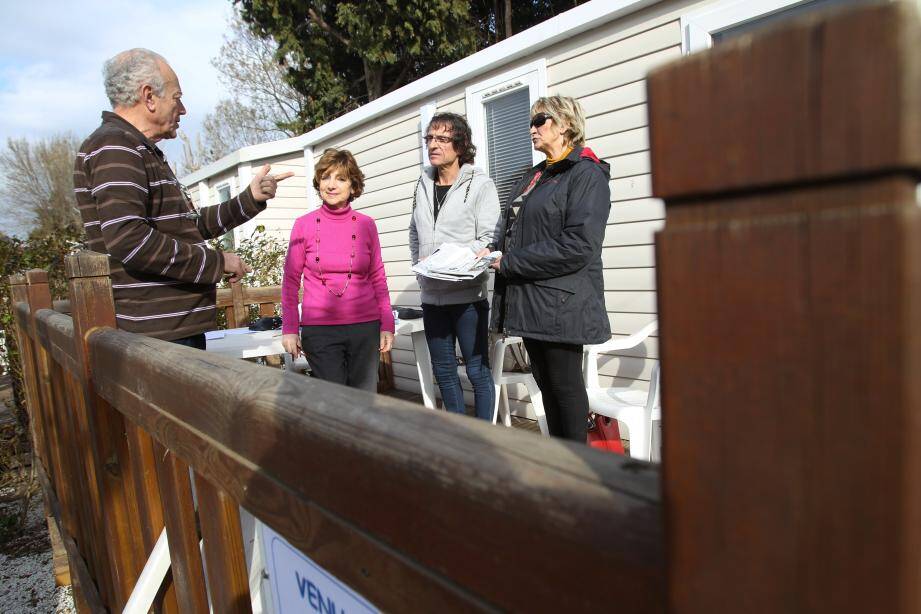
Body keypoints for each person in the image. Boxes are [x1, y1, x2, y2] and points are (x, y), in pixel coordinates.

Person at [74, 48, 292, 349]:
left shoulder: (136, 149)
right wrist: (217, 262)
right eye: (177, 97)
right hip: (159, 339)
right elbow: (128, 239)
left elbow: (186, 226)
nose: (184, 109)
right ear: (149, 96)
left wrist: (250, 198)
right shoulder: (116, 146)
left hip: (169, 332)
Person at [490, 95, 611, 442]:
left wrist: (510, 261)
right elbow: (517, 229)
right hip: (530, 301)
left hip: (561, 305)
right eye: (531, 121)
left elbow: (580, 244)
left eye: (540, 120)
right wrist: (493, 250)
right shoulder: (535, 176)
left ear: (566, 125)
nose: (532, 128)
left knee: (565, 388)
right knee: (547, 386)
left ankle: (577, 467)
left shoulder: (585, 173)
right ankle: (560, 461)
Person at [408, 113, 501, 420]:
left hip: (467, 297)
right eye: (430, 139)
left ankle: (485, 437)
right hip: (432, 298)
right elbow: (414, 231)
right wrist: (419, 262)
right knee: (445, 372)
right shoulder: (422, 183)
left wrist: (448, 260)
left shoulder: (480, 185)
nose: (433, 145)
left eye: (442, 139)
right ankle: (459, 437)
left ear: (460, 146)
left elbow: (488, 238)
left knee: (476, 370)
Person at [281, 149, 394, 391]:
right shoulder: (303, 225)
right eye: (325, 177)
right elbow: (291, 281)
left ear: (353, 186)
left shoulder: (367, 225)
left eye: (341, 178)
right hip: (320, 331)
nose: (331, 185)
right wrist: (290, 328)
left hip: (365, 327)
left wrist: (387, 323)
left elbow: (378, 277)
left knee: (364, 402)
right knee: (333, 403)